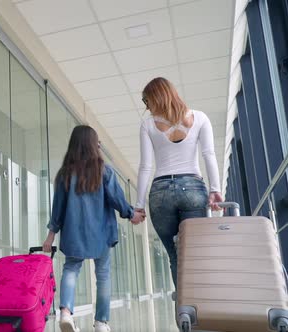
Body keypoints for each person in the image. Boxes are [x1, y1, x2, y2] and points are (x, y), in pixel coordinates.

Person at [43, 125, 145, 332]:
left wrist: (50, 236)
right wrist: (131, 214)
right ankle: (101, 322)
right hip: (101, 234)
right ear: (93, 144)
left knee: (71, 269)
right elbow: (117, 199)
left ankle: (65, 313)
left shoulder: (64, 174)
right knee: (103, 275)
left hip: (73, 234)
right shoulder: (104, 171)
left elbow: (58, 210)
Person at [135, 77, 223, 289]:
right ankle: (203, 310)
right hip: (193, 188)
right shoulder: (200, 118)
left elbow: (146, 166)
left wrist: (139, 205)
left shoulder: (148, 125)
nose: (147, 108)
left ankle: (186, 314)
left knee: (176, 257)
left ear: (157, 98)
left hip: (160, 194)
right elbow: (208, 154)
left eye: (147, 102)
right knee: (196, 255)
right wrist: (215, 190)